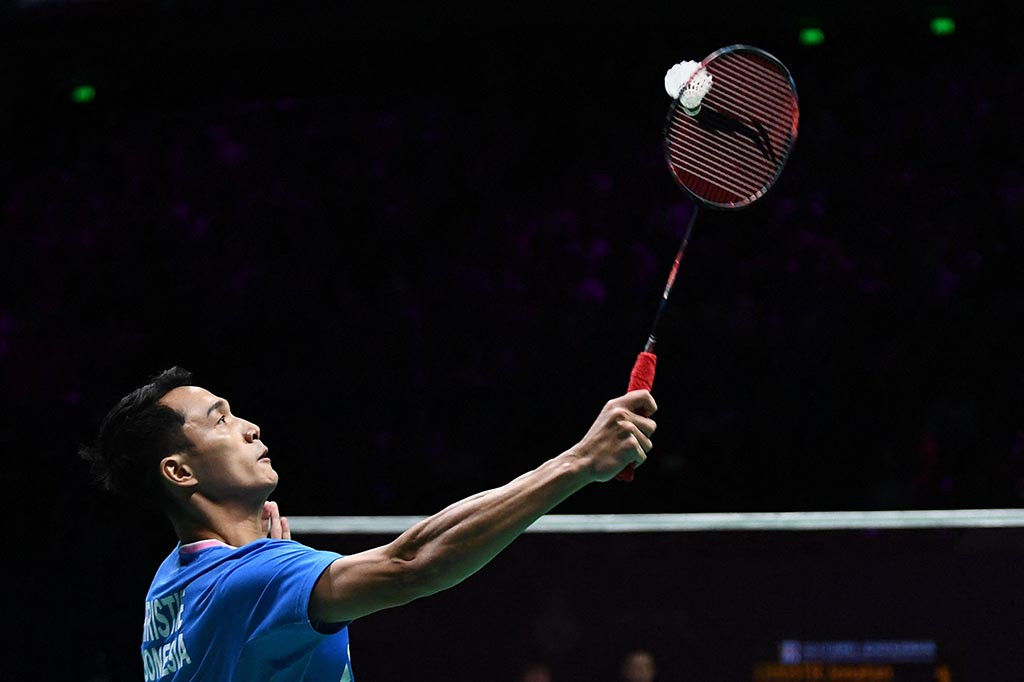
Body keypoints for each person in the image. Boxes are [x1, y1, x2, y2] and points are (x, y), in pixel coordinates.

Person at [78, 366, 657, 680]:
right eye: (221, 420)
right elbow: (412, 564)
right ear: (179, 471)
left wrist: (270, 583)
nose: (250, 427)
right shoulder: (252, 581)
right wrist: (579, 463)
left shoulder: (170, 583)